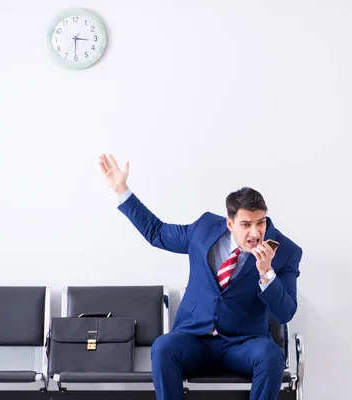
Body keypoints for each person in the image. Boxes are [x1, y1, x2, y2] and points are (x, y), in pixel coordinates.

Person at [98, 153, 302, 400]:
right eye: (246, 224)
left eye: (261, 223)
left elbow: (285, 313)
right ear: (230, 224)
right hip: (194, 339)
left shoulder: (285, 252)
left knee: (271, 356)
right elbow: (157, 233)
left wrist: (266, 273)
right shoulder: (204, 229)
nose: (256, 232)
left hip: (244, 344)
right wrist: (121, 188)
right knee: (163, 347)